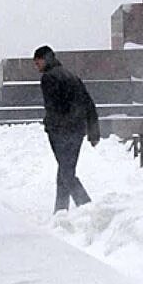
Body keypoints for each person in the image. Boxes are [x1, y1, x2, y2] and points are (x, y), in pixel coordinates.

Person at [33, 45, 101, 214]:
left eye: (37, 62)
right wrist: (93, 131)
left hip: (62, 132)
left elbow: (53, 106)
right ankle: (61, 211)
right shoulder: (72, 76)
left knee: (66, 173)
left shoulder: (49, 78)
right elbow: (88, 103)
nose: (36, 66)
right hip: (77, 130)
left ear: (45, 59)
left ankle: (86, 206)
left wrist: (51, 126)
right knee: (65, 171)